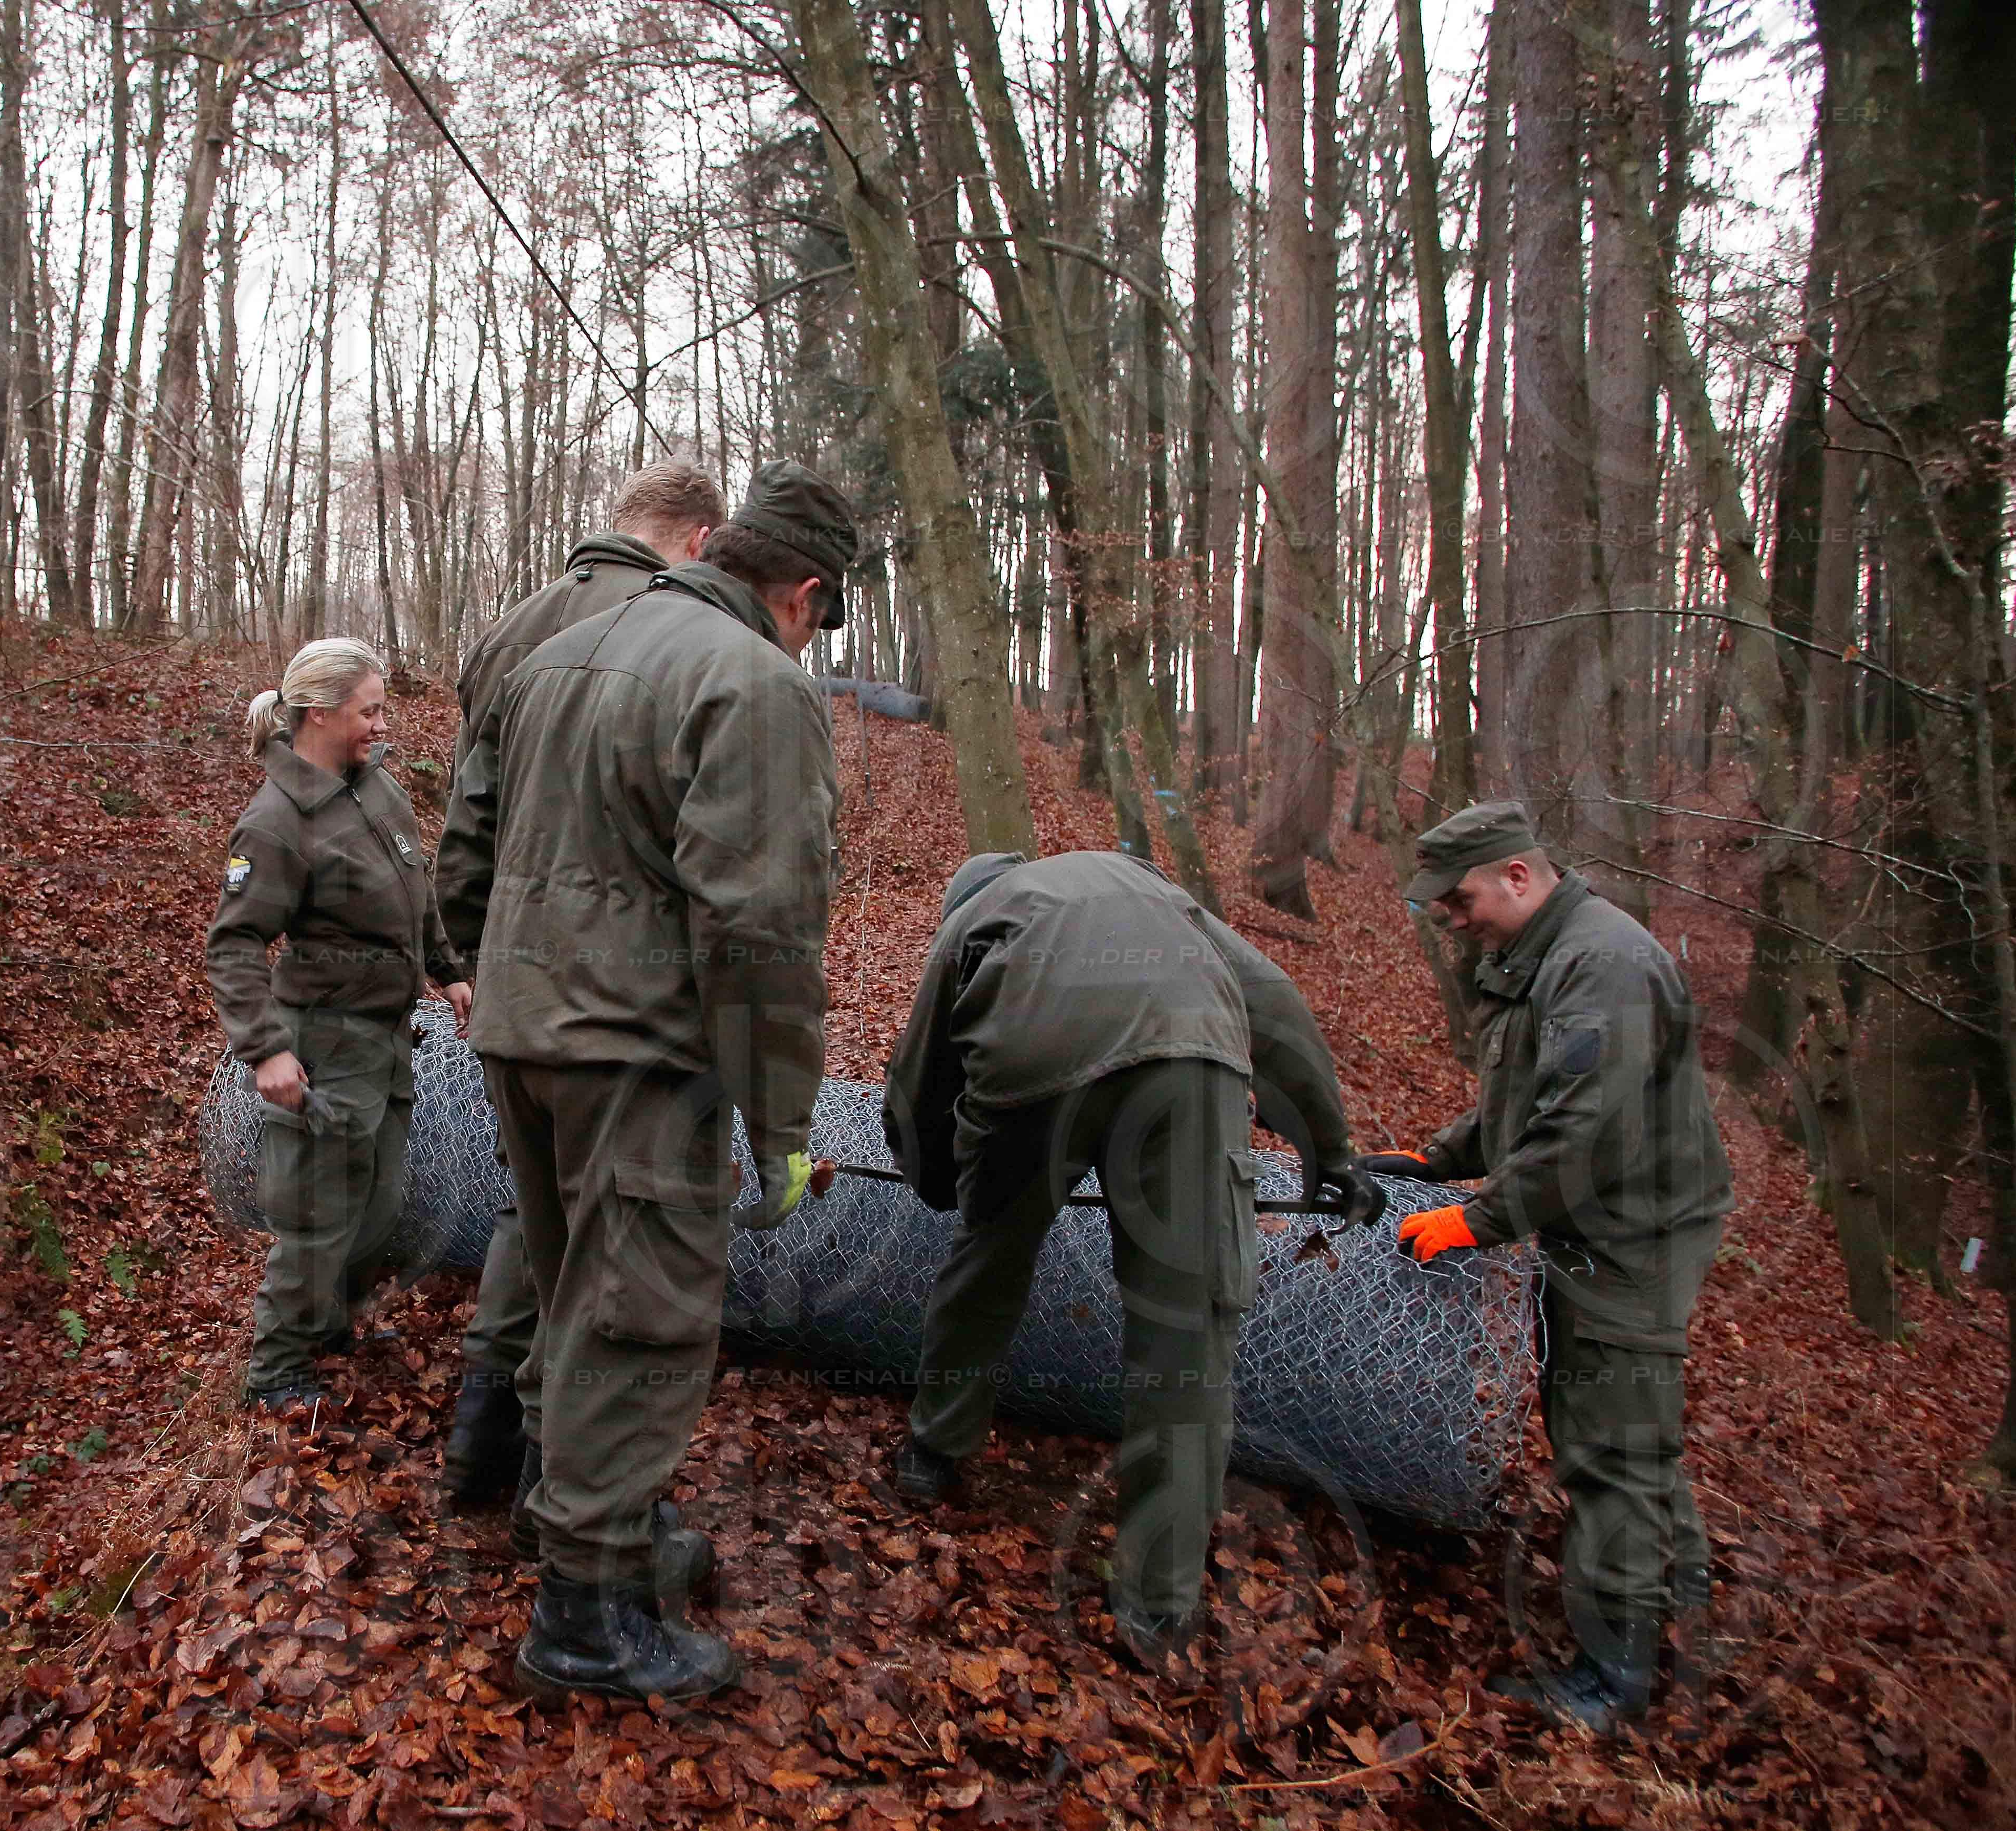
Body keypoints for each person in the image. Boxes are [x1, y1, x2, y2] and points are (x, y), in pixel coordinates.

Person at [439, 461, 853, 1704]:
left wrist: (474, 967)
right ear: (805, 593)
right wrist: (782, 1122)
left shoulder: (561, 648)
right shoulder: (756, 685)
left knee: (573, 1295)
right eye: (820, 624)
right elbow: (764, 932)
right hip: (637, 1053)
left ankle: (588, 1532)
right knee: (642, 1321)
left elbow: (468, 837)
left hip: (523, 1037)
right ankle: (585, 1620)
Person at [881, 850, 1385, 1667]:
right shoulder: (1146, 885)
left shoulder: (974, 917)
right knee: (1186, 1329)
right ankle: (1159, 1605)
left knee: (990, 1262)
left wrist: (945, 1186)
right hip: (1190, 1061)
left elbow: (919, 1080)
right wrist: (1329, 1150)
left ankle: (932, 1454)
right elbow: (1274, 1003)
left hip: (1030, 1063)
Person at [1369, 801, 1732, 1731]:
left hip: (1632, 1234)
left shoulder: (1604, 965)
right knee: (1631, 1434)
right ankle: (1684, 1614)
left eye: (1460, 899)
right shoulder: (1541, 956)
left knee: (1609, 1449)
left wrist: (1478, 1220)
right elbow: (1526, 1096)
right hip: (1595, 1218)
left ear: (1520, 877)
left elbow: (1584, 1133)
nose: (1452, 918)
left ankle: (1615, 1683)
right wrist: (1438, 1161)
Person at [442, 461, 730, 1513]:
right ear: (700, 540)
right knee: (596, 1262)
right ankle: (565, 1505)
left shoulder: (513, 630)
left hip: (513, 986)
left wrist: (473, 960)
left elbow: (465, 819)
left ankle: (482, 1464)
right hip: (614, 1003)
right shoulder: (670, 637)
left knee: (535, 1220)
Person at [206, 639, 473, 1413]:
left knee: (382, 1204)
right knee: (318, 1217)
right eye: (369, 709)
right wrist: (266, 1052)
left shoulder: (376, 786)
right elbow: (235, 946)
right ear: (320, 713)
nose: (380, 723)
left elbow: (414, 889)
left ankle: (330, 1324)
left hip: (387, 1040)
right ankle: (274, 1373)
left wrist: (447, 968)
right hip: (322, 1042)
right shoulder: (275, 824)